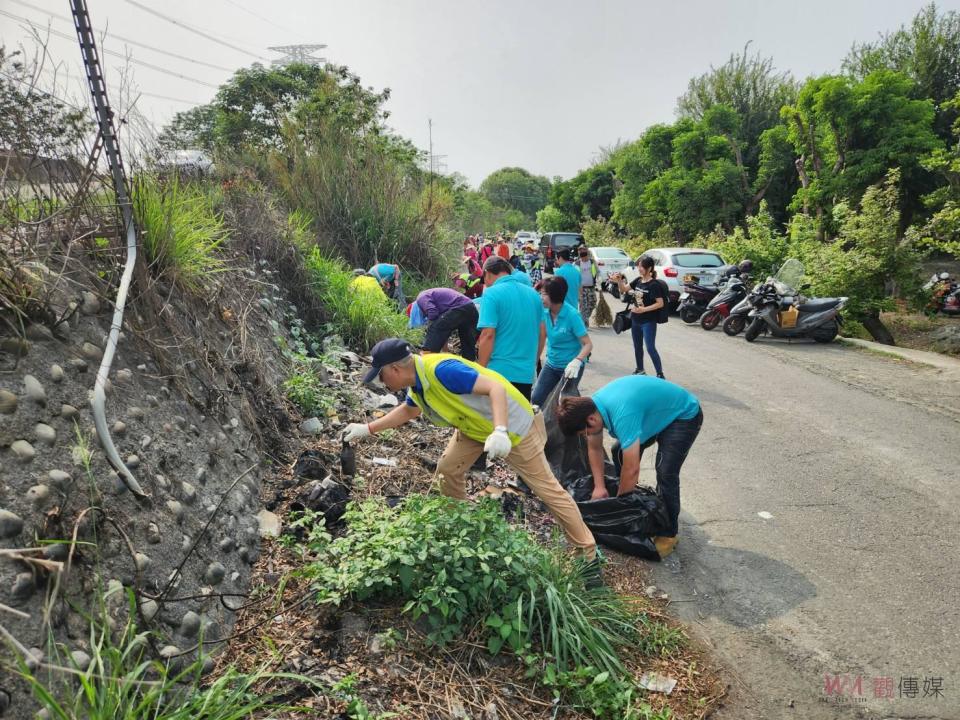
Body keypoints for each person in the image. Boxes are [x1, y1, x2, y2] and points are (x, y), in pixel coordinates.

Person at [343, 339, 596, 558]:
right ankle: (461, 524)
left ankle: (587, 553)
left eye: (381, 375)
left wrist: (500, 430)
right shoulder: (417, 383)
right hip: (475, 427)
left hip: (515, 427)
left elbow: (494, 387)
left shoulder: (442, 370)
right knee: (447, 469)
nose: (382, 382)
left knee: (548, 490)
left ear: (395, 369)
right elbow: (410, 409)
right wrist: (368, 429)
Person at [555, 375, 702, 558]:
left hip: (683, 415)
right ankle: (631, 495)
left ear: (591, 420)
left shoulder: (622, 414)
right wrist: (599, 488)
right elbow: (594, 448)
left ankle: (669, 533)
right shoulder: (591, 409)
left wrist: (620, 508)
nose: (587, 436)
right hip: (656, 414)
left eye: (585, 432)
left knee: (666, 472)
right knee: (618, 451)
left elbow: (632, 469)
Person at [476, 256, 542, 400]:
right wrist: (532, 362)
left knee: (497, 420)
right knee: (519, 420)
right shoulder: (534, 294)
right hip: (525, 374)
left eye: (484, 278)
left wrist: (481, 370)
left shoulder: (491, 294)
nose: (485, 283)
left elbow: (488, 334)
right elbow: (542, 333)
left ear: (487, 273)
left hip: (499, 373)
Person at [531, 276, 593, 408]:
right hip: (551, 364)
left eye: (544, 294)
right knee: (536, 399)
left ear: (555, 295)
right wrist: (534, 362)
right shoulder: (545, 312)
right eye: (540, 293)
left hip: (570, 368)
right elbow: (542, 337)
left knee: (565, 405)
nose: (541, 297)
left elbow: (588, 344)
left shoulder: (572, 315)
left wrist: (577, 361)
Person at [614, 255, 667, 378]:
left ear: (649, 269)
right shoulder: (638, 281)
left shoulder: (653, 285)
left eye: (642, 267)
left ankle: (660, 374)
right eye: (639, 266)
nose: (639, 269)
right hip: (635, 320)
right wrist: (619, 280)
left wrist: (644, 309)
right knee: (637, 346)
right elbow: (623, 289)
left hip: (648, 321)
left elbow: (660, 303)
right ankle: (640, 369)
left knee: (650, 348)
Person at [407, 287, 479, 361]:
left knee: (434, 327)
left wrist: (430, 330)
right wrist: (446, 351)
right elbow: (443, 329)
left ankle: (426, 359)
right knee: (467, 341)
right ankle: (470, 363)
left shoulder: (421, 298)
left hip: (459, 307)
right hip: (470, 307)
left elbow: (433, 313)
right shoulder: (439, 303)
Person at [575, 247, 598, 327]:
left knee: (593, 303)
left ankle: (585, 318)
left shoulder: (592, 262)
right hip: (581, 288)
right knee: (583, 305)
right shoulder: (577, 264)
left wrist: (599, 282)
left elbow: (597, 273)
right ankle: (583, 321)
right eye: (582, 256)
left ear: (587, 255)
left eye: (585, 256)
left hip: (591, 287)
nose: (584, 258)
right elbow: (575, 276)